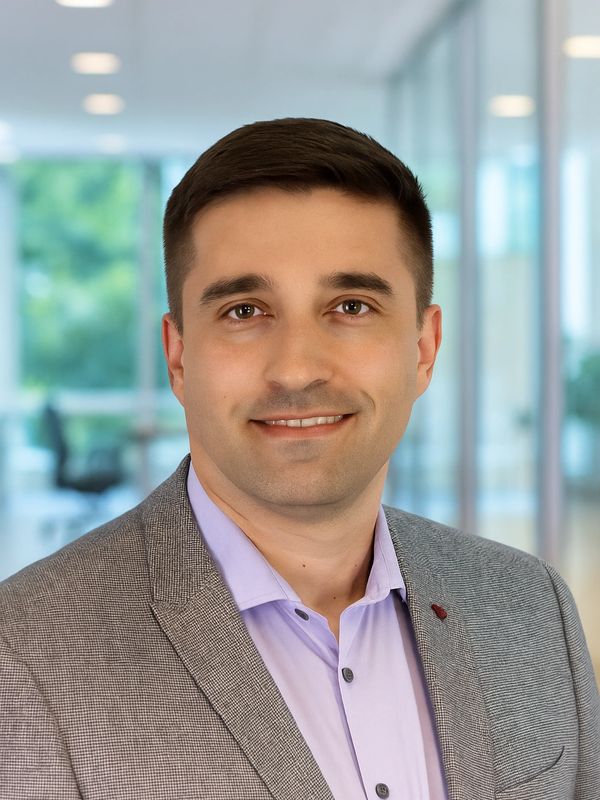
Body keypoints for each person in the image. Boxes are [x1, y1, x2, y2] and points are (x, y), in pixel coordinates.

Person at [0, 118, 598, 800]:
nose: (296, 369)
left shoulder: (532, 606)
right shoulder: (23, 656)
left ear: (424, 347)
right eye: (244, 311)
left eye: (351, 305)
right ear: (179, 356)